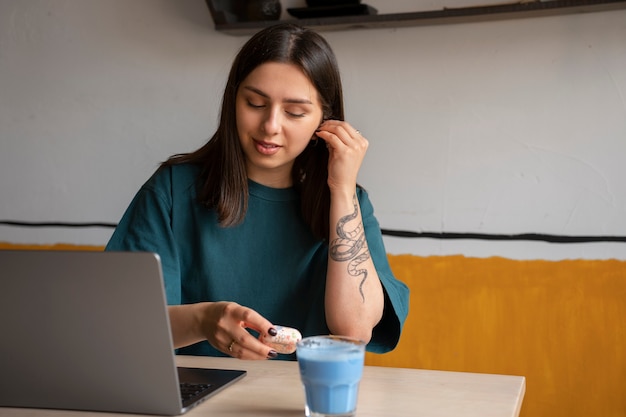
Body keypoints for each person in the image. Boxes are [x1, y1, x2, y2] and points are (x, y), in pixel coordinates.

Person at [106, 23, 409, 360]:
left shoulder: (349, 205)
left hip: (303, 401)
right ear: (232, 101)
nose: (270, 126)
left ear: (324, 122)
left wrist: (341, 188)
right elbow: (121, 324)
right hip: (194, 399)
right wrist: (205, 321)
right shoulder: (173, 192)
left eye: (295, 112)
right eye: (254, 103)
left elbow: (353, 331)